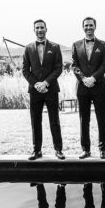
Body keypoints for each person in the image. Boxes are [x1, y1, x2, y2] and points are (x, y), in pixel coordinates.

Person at [22, 19, 64, 160]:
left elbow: (59, 68)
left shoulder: (55, 47)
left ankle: (58, 150)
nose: (40, 30)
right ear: (34, 30)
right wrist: (36, 84)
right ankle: (36, 150)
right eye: (37, 28)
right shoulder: (28, 48)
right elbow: (25, 70)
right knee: (35, 121)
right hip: (35, 91)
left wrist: (46, 83)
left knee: (54, 120)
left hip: (51, 89)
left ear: (46, 29)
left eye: (42, 27)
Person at [71, 17, 105, 159]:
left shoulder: (104, 45)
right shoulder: (75, 45)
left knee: (101, 118)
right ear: (83, 27)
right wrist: (83, 78)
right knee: (84, 119)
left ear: (95, 26)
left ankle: (103, 149)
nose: (89, 27)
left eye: (91, 25)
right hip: (82, 87)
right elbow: (74, 65)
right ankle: (86, 149)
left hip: (98, 86)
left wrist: (93, 78)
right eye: (86, 25)